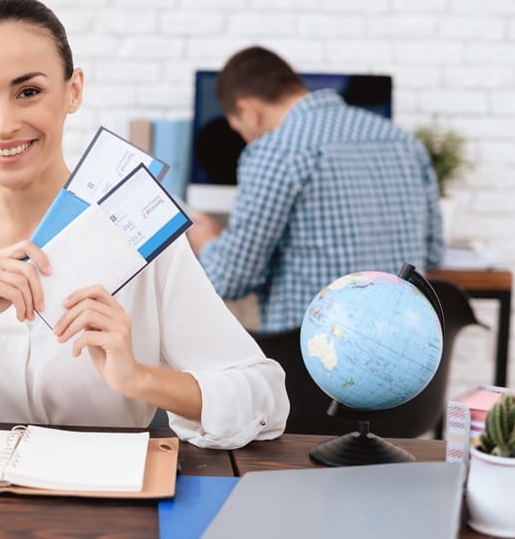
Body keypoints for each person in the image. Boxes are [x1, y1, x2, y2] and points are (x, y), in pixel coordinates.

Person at [0, 0, 288, 448]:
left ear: (73, 91)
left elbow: (264, 397)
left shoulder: (138, 232)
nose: (2, 125)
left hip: (104, 509)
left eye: (28, 92)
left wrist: (141, 378)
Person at [187, 46, 445, 333]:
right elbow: (433, 253)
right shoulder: (404, 142)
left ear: (249, 112)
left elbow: (230, 279)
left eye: (238, 128)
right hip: (403, 353)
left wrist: (207, 241)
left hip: (314, 359)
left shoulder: (277, 150)